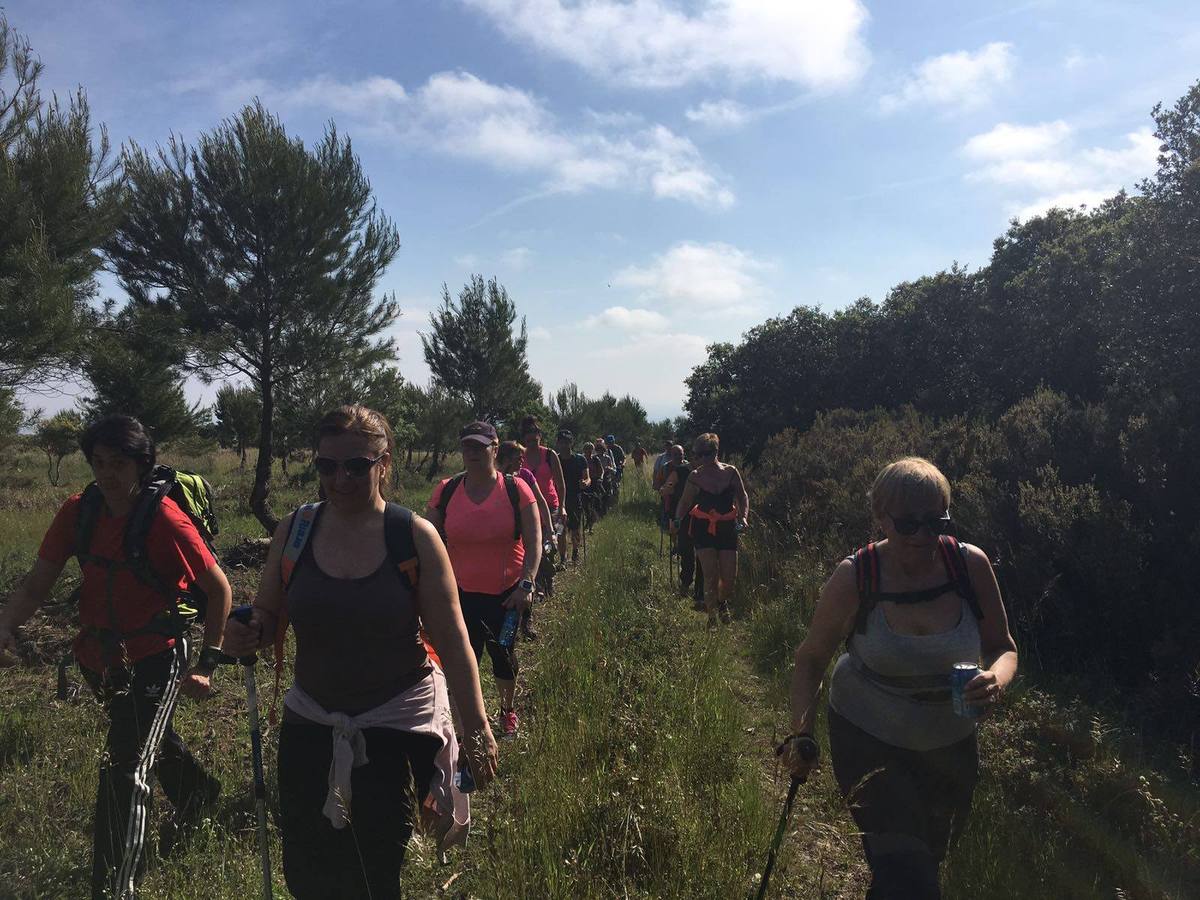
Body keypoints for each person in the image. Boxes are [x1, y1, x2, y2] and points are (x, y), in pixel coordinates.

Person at [221, 405, 499, 899]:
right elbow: (267, 612)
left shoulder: (412, 537)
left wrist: (477, 729)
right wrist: (249, 630)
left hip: (390, 724)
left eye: (356, 466)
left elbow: (455, 643)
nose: (339, 478)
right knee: (307, 872)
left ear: (383, 463)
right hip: (310, 719)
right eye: (326, 466)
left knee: (373, 872)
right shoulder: (295, 531)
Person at [0, 414, 232, 899]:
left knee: (125, 766)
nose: (107, 474)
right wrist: (5, 624)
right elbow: (37, 584)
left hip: (157, 653)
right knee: (145, 738)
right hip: (98, 656)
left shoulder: (165, 520)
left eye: (119, 463)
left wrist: (207, 662)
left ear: (141, 465)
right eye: (98, 462)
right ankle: (196, 792)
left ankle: (113, 886)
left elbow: (219, 588)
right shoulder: (78, 511)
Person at [783, 457, 1018, 900]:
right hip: (867, 734)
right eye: (909, 524)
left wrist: (996, 679)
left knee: (925, 861)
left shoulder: (970, 566)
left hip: (950, 745)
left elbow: (1003, 646)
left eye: (937, 521)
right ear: (879, 517)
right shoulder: (856, 577)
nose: (925, 535)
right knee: (907, 873)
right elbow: (811, 659)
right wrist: (801, 734)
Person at [426, 421, 541, 741]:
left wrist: (526, 585)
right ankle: (465, 721)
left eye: (480, 446)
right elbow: (427, 541)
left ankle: (507, 711)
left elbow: (534, 541)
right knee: (463, 658)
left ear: (495, 448)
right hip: (458, 594)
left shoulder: (517, 489)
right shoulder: (447, 490)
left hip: (507, 596)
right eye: (467, 447)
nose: (473, 453)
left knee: (503, 656)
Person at [673, 432, 748, 627]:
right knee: (710, 573)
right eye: (697, 455)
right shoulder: (695, 476)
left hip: (727, 528)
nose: (699, 459)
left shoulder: (731, 472)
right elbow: (685, 501)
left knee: (729, 579)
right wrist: (677, 519)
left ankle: (722, 603)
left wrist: (744, 517)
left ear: (715, 452)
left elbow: (742, 496)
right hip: (703, 527)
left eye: (704, 454)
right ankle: (712, 618)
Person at [497, 439, 553, 638]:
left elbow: (540, 501)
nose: (522, 461)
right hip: (500, 542)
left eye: (522, 457)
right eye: (518, 458)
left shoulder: (526, 476)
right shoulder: (490, 480)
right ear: (505, 459)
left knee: (526, 579)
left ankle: (525, 624)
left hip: (523, 538)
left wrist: (550, 528)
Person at [659, 445, 703, 609]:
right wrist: (666, 490)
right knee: (686, 551)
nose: (700, 460)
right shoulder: (681, 471)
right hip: (683, 516)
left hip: (704, 518)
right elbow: (666, 487)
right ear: (693, 456)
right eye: (698, 456)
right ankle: (686, 583)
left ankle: (700, 591)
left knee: (703, 554)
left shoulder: (709, 473)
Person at [519, 415, 565, 541]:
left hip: (551, 506)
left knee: (553, 539)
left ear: (539, 436)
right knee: (533, 545)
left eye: (534, 439)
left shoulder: (550, 455)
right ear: (524, 439)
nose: (532, 442)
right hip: (528, 506)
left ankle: (562, 557)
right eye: (528, 440)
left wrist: (562, 507)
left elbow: (560, 485)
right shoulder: (519, 457)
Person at [555, 430, 590, 565]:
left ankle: (575, 551)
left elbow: (587, 478)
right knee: (560, 529)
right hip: (559, 500)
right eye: (562, 442)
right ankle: (563, 557)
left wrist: (585, 483)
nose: (564, 445)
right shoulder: (554, 459)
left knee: (575, 528)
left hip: (575, 498)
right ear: (558, 443)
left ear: (571, 443)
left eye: (567, 442)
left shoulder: (580, 459)